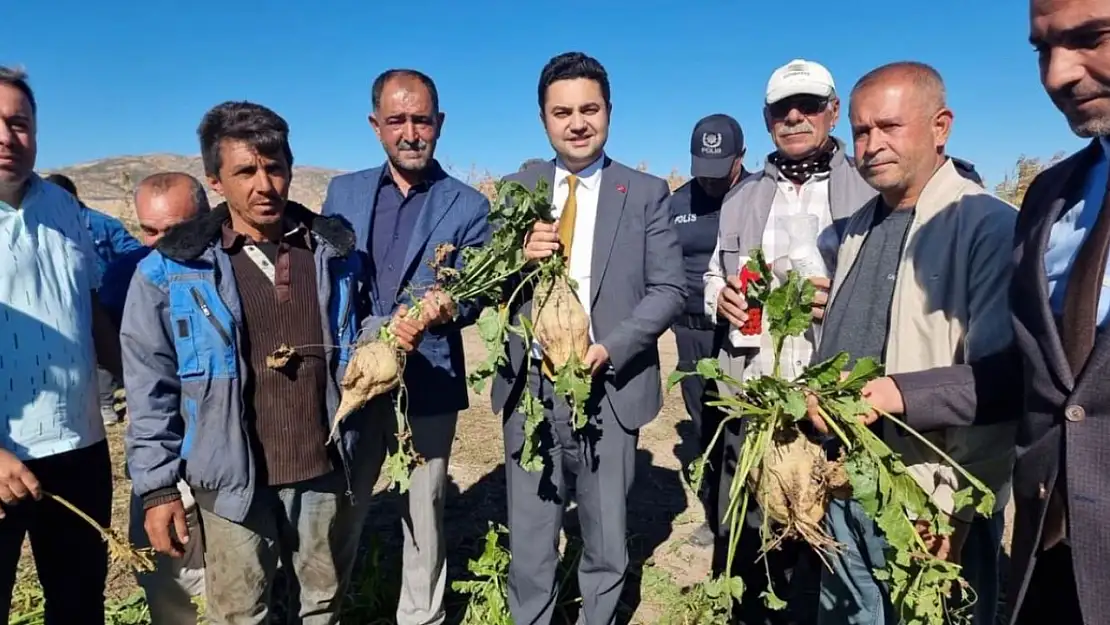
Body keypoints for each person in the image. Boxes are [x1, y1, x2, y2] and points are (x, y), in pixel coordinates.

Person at [121, 101, 374, 624]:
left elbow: (364, 329)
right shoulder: (173, 272)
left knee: (322, 604)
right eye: (245, 171)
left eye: (275, 167)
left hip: (322, 467)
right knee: (241, 612)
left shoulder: (335, 253)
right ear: (216, 180)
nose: (264, 184)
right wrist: (158, 487)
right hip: (232, 480)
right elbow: (151, 387)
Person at [802, 61, 1016, 625]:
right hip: (847, 483)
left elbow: (999, 386)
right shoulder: (853, 230)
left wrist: (958, 514)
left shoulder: (988, 227)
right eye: (861, 131)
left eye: (889, 127)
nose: (871, 145)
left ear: (940, 126)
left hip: (925, 497)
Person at [490, 51, 686, 625]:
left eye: (589, 109)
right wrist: (514, 258)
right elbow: (486, 286)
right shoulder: (515, 188)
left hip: (609, 389)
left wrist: (612, 347)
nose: (577, 122)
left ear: (608, 111)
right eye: (562, 112)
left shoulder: (646, 192)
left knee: (605, 537)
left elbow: (669, 289)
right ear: (543, 118)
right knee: (530, 537)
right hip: (530, 390)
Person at [701, 58, 877, 625]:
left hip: (838, 398)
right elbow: (714, 274)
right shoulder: (744, 196)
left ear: (833, 112)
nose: (795, 117)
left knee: (834, 537)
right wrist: (720, 299)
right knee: (753, 531)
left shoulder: (869, 186)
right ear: (767, 119)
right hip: (756, 392)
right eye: (782, 109)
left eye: (808, 106)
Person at [321, 68, 491, 625]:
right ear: (376, 126)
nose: (411, 131)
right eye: (398, 120)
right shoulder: (342, 193)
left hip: (430, 378)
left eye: (422, 119)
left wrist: (447, 306)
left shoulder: (467, 205)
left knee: (424, 506)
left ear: (439, 124)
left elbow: (476, 288)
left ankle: (422, 615)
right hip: (356, 376)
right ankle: (326, 608)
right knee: (345, 501)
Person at [0, 66, 122, 624]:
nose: (7, 137)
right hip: (3, 453)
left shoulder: (66, 209)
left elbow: (89, 310)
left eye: (18, 123)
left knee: (78, 603)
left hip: (79, 448)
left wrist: (140, 388)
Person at [101, 172, 211, 625]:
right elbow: (128, 364)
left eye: (177, 230)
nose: (163, 243)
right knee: (170, 581)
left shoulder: (232, 267)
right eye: (151, 230)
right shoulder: (130, 275)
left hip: (228, 459)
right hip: (166, 453)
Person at [669, 113, 751, 547]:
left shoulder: (762, 195)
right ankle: (716, 512)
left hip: (748, 332)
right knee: (707, 423)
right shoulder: (676, 204)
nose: (712, 183)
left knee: (748, 423)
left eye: (722, 172)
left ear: (742, 157)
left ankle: (754, 513)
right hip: (694, 333)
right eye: (704, 171)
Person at [44, 172, 142, 425]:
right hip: (74, 300)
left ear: (72, 198)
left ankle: (131, 399)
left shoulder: (102, 224)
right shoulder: (48, 226)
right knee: (92, 351)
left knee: (118, 347)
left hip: (110, 298)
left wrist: (116, 277)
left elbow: (134, 252)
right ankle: (104, 402)